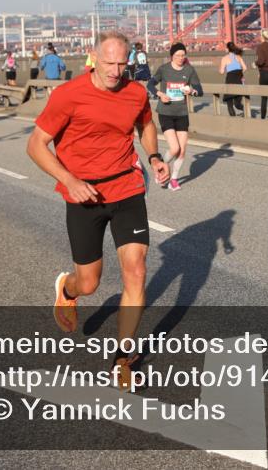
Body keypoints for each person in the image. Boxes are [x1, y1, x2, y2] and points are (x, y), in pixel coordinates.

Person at [27, 31, 169, 389]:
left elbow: (146, 124)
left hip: (127, 188)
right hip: (84, 196)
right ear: (93, 57)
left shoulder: (135, 92)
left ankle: (123, 359)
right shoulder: (68, 95)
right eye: (108, 63)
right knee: (89, 282)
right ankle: (68, 290)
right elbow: (36, 145)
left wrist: (154, 156)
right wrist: (69, 179)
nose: (115, 71)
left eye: (122, 63)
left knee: (136, 270)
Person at [148, 43, 203, 190]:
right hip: (166, 112)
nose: (180, 58)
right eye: (177, 55)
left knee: (182, 150)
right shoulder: (164, 69)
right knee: (174, 148)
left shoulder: (189, 70)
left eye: (183, 55)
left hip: (182, 113)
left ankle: (173, 179)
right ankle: (161, 168)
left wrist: (191, 91)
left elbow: (199, 90)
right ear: (171, 56)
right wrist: (160, 94)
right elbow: (150, 85)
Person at [219, 41, 247, 117]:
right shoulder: (238, 57)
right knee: (237, 104)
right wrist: (239, 73)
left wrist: (221, 68)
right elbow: (245, 68)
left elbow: (221, 72)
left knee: (230, 103)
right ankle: (247, 111)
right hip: (239, 81)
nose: (225, 49)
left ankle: (233, 120)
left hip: (230, 81)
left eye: (226, 48)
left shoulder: (224, 58)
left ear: (228, 49)